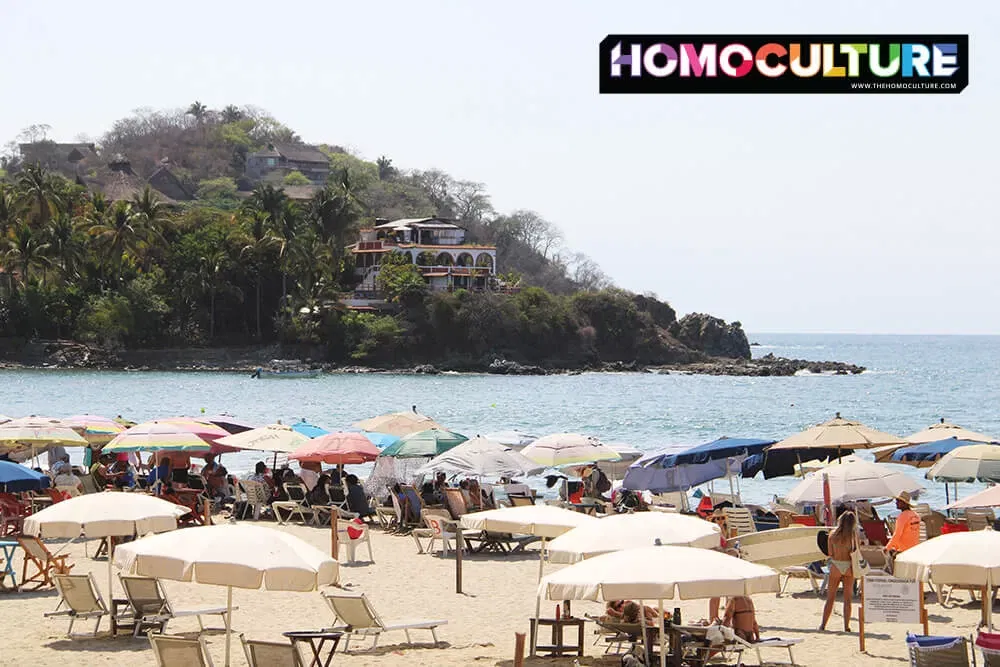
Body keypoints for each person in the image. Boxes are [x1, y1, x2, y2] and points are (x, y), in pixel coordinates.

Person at [820, 510, 858, 632]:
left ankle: (823, 625)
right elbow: (856, 551)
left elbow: (830, 553)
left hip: (836, 565)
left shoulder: (832, 534)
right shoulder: (853, 535)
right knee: (847, 599)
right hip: (849, 566)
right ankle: (846, 626)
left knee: (830, 598)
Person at [884, 491, 921, 565]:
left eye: (898, 501)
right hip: (914, 549)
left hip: (903, 550)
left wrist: (887, 548)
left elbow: (897, 534)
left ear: (904, 503)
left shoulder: (902, 516)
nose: (896, 503)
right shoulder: (915, 515)